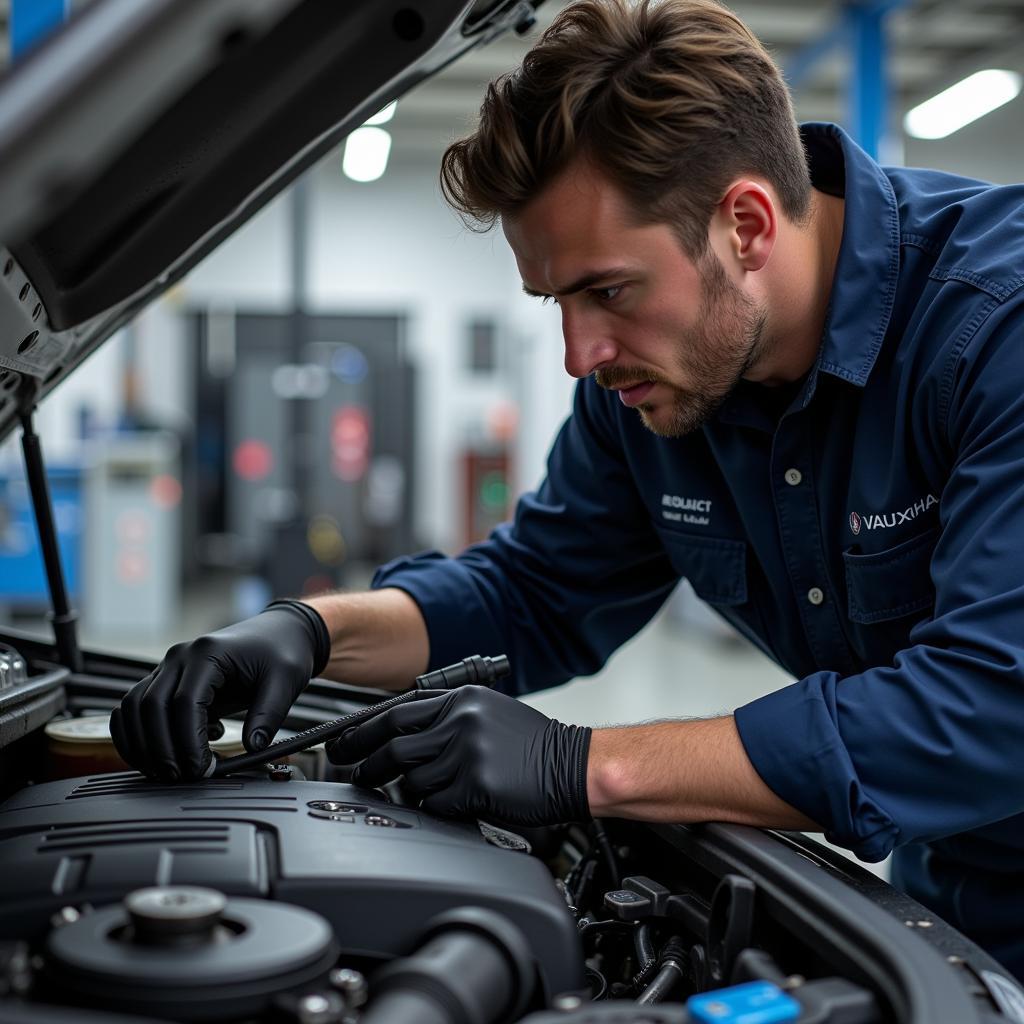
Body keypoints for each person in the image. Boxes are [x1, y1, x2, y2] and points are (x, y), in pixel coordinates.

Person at [111, 0, 1024, 977]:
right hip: (955, 900)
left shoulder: (992, 328)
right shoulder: (655, 388)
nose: (579, 354)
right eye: (556, 301)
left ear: (746, 225)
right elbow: (535, 591)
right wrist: (308, 634)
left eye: (609, 290)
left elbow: (986, 704)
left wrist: (580, 764)